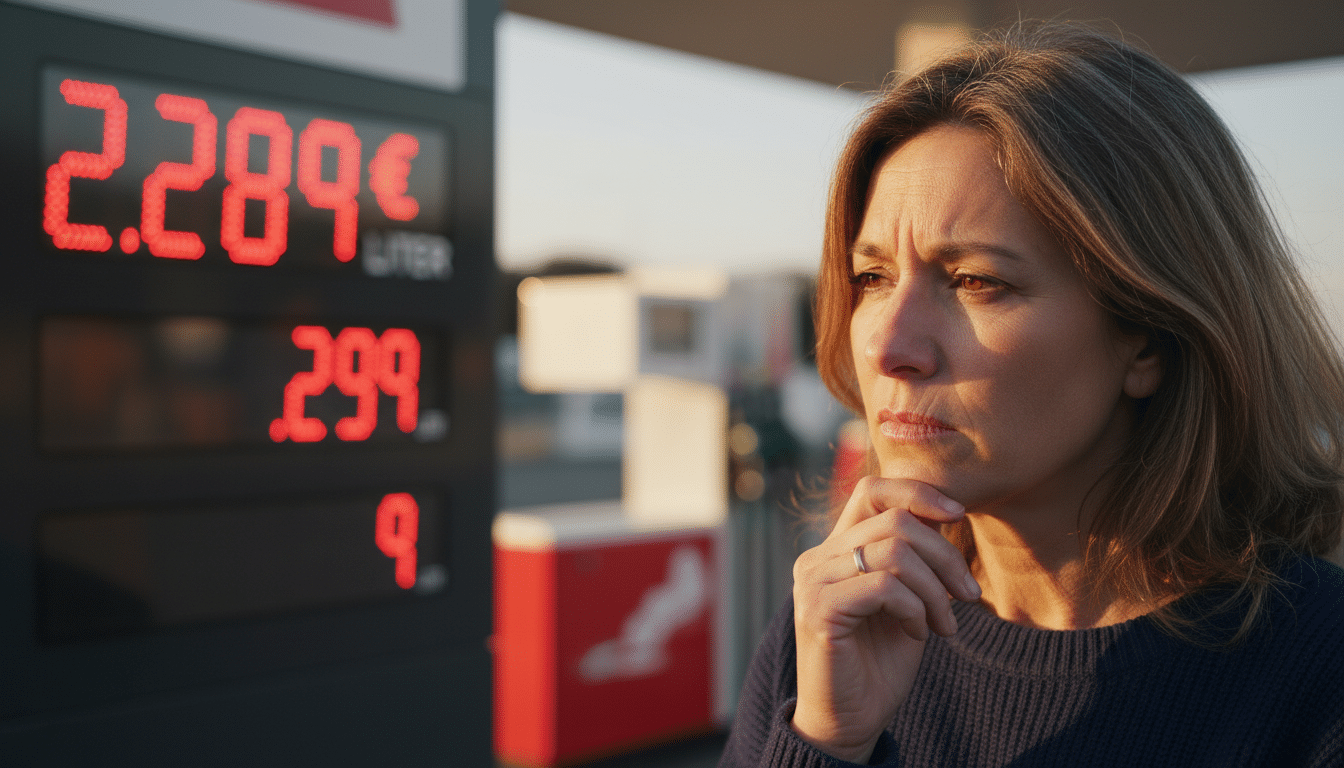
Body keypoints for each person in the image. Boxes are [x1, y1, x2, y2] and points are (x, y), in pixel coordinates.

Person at [720, 23, 1344, 767]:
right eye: (873, 278)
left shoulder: (1318, 677)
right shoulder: (834, 627)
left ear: (1148, 338)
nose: (889, 347)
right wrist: (828, 741)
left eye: (975, 281)